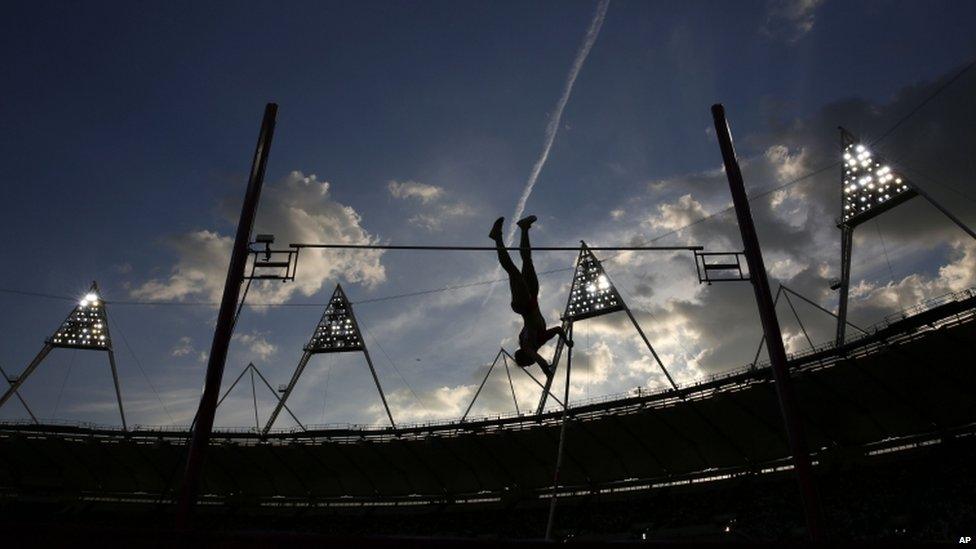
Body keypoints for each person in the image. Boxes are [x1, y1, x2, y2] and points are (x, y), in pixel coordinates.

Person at [490, 215, 571, 375]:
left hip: (523, 305)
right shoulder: (541, 340)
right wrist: (567, 342)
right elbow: (557, 330)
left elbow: (538, 358)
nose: (533, 361)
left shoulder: (527, 345)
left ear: (527, 356)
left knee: (514, 272)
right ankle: (524, 228)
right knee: (527, 261)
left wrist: (546, 369)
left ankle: (496, 238)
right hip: (532, 300)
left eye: (529, 361)